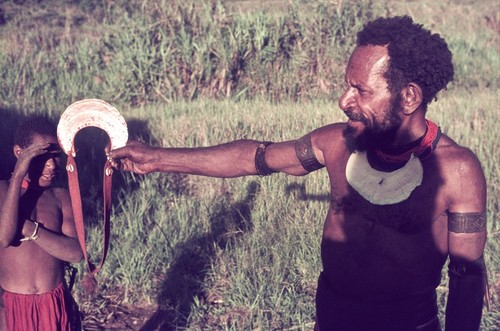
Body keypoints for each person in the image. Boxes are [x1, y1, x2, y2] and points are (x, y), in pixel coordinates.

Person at [108, 16, 488, 331]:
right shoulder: (338, 143)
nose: (344, 101)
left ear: (408, 97)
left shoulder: (457, 171)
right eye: (346, 86)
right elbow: (252, 158)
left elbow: (466, 276)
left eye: (361, 90)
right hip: (332, 319)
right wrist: (157, 157)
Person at [0, 116, 83, 330]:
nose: (52, 165)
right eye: (42, 156)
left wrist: (29, 228)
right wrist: (18, 175)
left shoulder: (60, 197)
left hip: (54, 304)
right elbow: (4, 237)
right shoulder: (2, 191)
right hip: (12, 307)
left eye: (56, 156)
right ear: (20, 153)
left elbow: (76, 253)